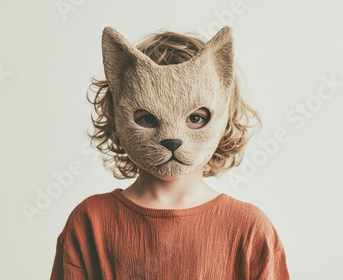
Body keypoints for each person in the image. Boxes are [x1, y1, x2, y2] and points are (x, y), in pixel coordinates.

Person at [50, 25, 290, 279]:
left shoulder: (249, 229)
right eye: (146, 119)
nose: (172, 138)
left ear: (223, 118)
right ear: (117, 117)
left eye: (196, 118)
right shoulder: (90, 221)